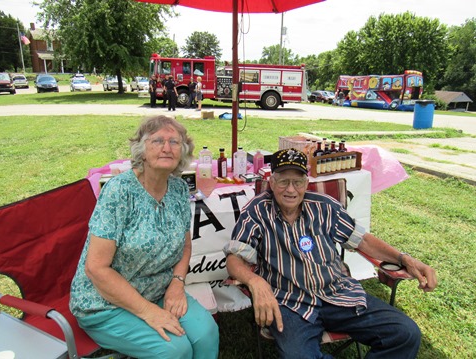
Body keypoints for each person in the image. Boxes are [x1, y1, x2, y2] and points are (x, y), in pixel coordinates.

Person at [224, 148, 437, 359]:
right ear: (272, 183)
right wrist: (256, 282)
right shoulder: (257, 211)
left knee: (405, 333)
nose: (291, 189)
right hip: (289, 301)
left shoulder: (325, 207)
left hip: (338, 292)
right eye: (283, 181)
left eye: (297, 182)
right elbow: (235, 258)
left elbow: (362, 240)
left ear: (306, 184)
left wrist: (403, 258)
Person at [70, 116, 219, 359]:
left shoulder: (179, 189)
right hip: (105, 303)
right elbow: (96, 269)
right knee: (175, 350)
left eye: (174, 142)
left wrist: (177, 283)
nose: (167, 147)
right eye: (158, 140)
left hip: (160, 290)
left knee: (206, 334)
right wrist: (148, 311)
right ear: (141, 150)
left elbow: (185, 245)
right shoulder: (119, 191)